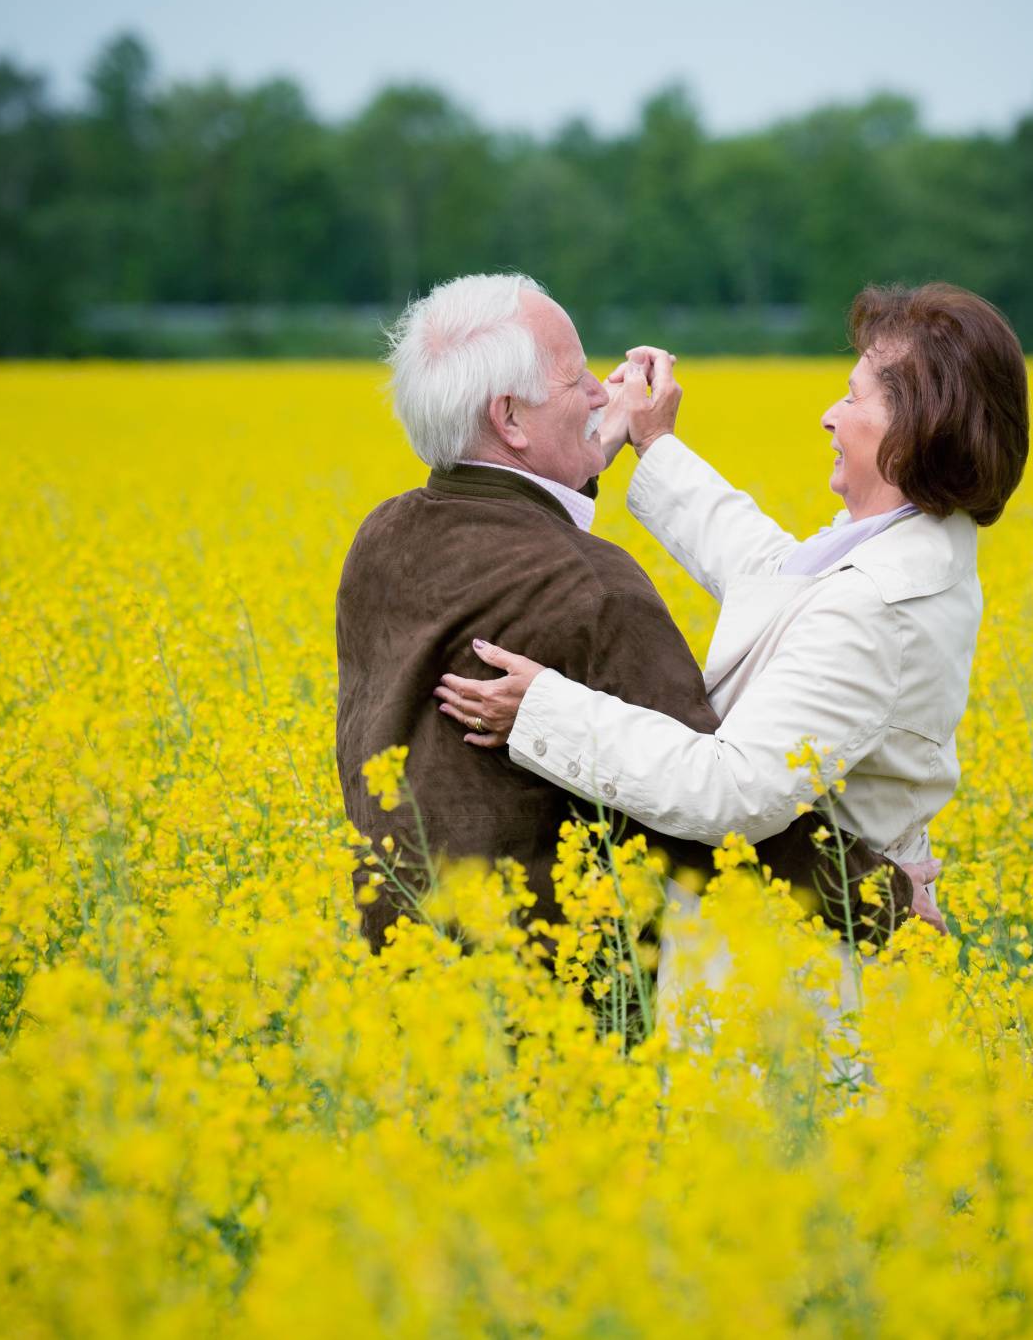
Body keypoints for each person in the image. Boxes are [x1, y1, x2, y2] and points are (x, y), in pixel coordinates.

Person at [435, 283, 1030, 995]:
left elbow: (732, 789)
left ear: (917, 427)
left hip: (796, 976)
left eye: (853, 396)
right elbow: (767, 573)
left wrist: (541, 711)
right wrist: (653, 444)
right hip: (799, 938)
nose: (828, 416)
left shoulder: (879, 602)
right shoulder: (897, 546)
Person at [334, 273, 907, 963]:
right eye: (577, 381)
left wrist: (585, 445)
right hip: (562, 1016)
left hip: (406, 984)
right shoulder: (591, 587)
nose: (603, 393)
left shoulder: (382, 539)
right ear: (509, 418)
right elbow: (714, 819)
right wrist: (883, 901)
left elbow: (512, 510)